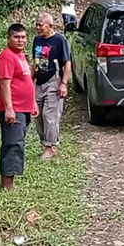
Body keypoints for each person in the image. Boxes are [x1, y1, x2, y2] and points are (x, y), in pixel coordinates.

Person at [0, 23, 38, 190]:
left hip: (22, 108)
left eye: (23, 37)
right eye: (16, 37)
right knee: (12, 144)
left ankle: (8, 180)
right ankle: (7, 185)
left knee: (17, 143)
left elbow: (26, 81)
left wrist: (32, 103)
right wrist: (9, 108)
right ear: (9, 38)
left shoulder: (20, 56)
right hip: (13, 109)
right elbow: (4, 83)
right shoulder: (6, 56)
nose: (20, 40)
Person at [32, 13, 72, 160]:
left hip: (54, 80)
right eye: (36, 24)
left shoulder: (59, 40)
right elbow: (36, 62)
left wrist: (64, 84)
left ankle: (50, 146)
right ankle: (45, 142)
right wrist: (30, 80)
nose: (38, 27)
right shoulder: (37, 40)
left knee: (50, 115)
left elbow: (67, 63)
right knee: (38, 115)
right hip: (39, 81)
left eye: (41, 25)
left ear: (50, 26)